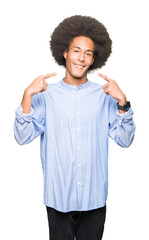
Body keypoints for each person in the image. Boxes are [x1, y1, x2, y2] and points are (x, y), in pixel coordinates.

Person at [13, 15, 136, 240]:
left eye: (88, 53)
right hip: (58, 199)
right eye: (77, 51)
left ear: (94, 59)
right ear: (65, 52)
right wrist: (27, 95)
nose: (81, 58)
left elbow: (125, 140)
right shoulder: (46, 95)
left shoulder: (104, 95)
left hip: (94, 198)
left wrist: (122, 103)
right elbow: (22, 137)